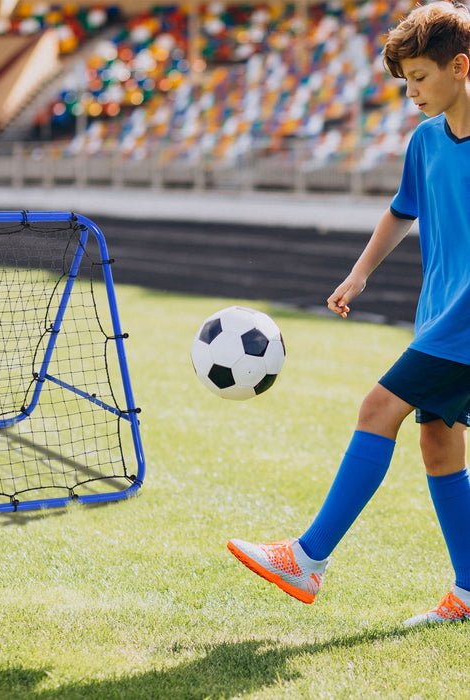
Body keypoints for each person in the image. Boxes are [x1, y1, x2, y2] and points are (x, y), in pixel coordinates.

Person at [228, 1, 470, 627]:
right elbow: (402, 210)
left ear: (459, 67)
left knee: (377, 408)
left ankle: (307, 559)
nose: (410, 92)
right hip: (440, 314)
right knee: (438, 440)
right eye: (405, 81)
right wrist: (359, 273)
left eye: (419, 77)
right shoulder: (426, 140)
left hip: (464, 326)